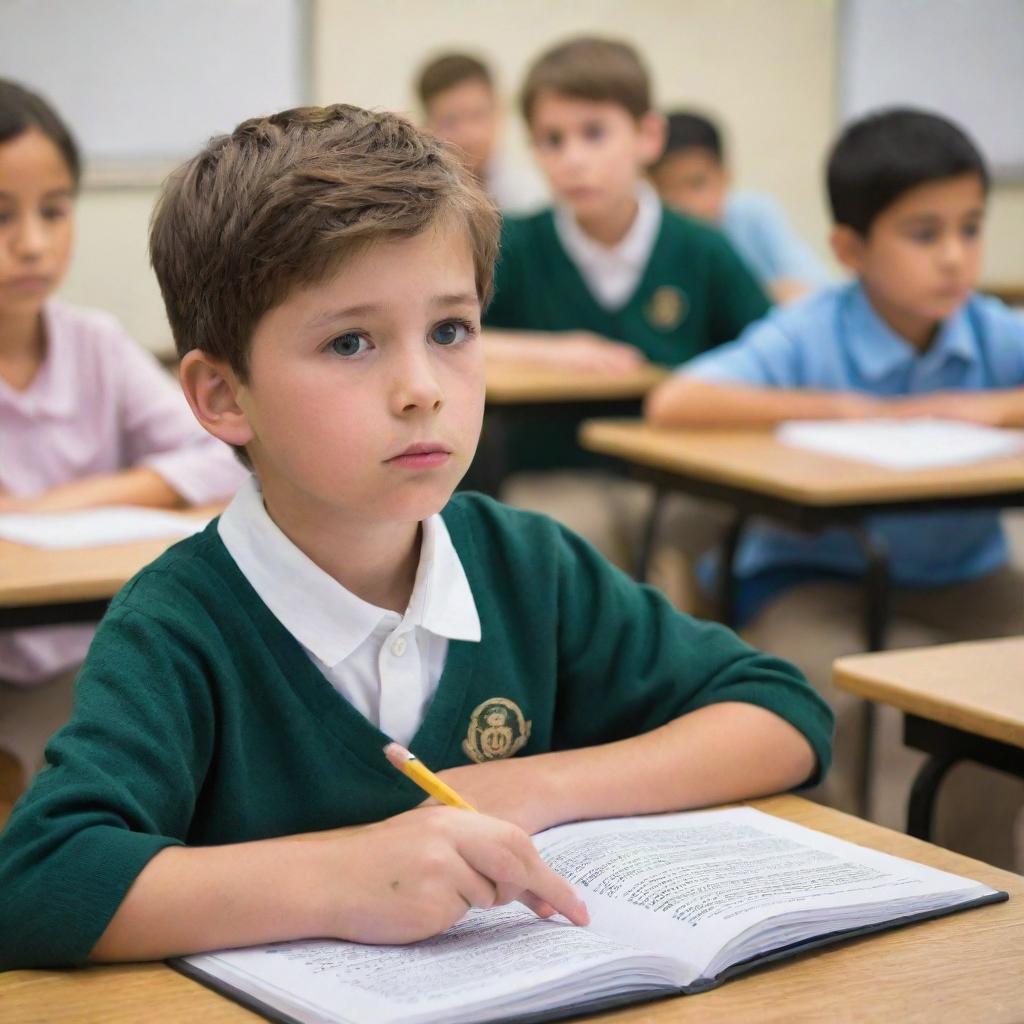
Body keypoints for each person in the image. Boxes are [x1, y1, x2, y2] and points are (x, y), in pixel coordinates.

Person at [0, 103, 832, 969]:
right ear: (222, 396)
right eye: (351, 341)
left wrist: (528, 785)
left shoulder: (524, 565)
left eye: (450, 331)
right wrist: (341, 877)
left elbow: (782, 712)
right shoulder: (178, 623)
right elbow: (39, 883)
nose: (421, 388)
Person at [647, 108, 1024, 869]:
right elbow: (677, 401)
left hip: (971, 579)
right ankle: (897, 878)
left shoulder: (989, 328)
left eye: (970, 228)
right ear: (850, 248)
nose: (955, 256)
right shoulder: (812, 329)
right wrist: (853, 406)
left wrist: (996, 407)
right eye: (924, 234)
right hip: (814, 583)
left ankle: (989, 882)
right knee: (860, 708)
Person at [0, 79, 246, 791]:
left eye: (54, 210)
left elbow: (222, 450)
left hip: (92, 660)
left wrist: (61, 506)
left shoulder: (96, 344)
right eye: (2, 215)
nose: (34, 244)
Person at [479, 38, 771, 567]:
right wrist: (551, 352)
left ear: (648, 136)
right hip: (554, 478)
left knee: (682, 563)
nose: (573, 159)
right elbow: (444, 336)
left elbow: (771, 354)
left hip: (684, 476)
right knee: (560, 550)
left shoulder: (701, 249)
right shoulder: (513, 246)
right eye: (551, 140)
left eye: (594, 133)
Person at [649, 111, 830, 303]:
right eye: (665, 188)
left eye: (697, 184)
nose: (684, 203)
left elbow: (818, 291)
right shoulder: (650, 232)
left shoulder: (753, 214)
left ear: (725, 177)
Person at [417, 52, 546, 214]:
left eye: (477, 115)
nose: (468, 135)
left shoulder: (534, 199)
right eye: (450, 121)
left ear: (499, 112)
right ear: (427, 126)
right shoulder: (419, 205)